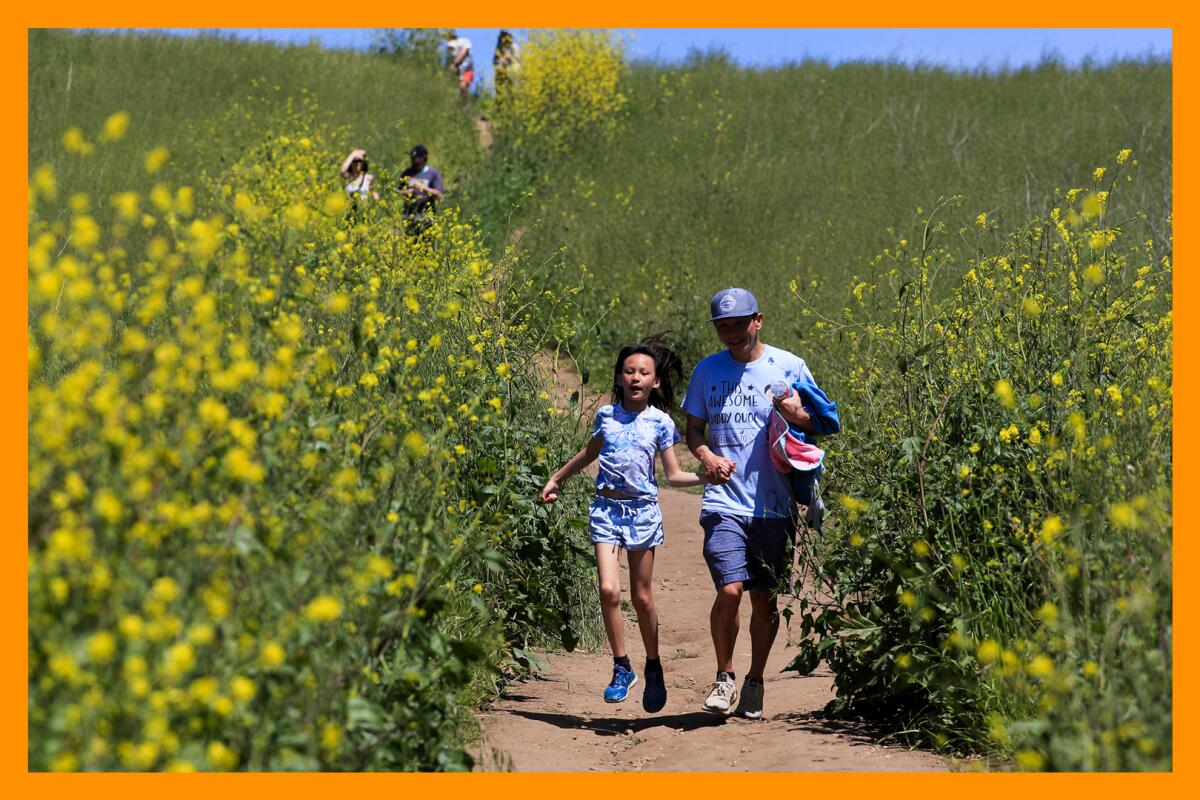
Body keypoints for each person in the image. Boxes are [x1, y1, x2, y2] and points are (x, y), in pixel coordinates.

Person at [682, 287, 825, 720]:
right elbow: (693, 430)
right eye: (722, 326)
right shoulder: (707, 371)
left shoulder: (790, 365)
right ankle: (724, 677)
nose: (730, 333)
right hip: (724, 501)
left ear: (758, 320)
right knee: (729, 590)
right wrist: (707, 456)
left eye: (738, 324)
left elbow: (821, 421)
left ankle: (756, 680)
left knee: (765, 599)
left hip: (774, 506)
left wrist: (796, 412)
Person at [541, 340, 705, 713]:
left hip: (643, 513)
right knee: (608, 589)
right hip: (606, 509)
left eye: (644, 373)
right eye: (629, 371)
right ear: (619, 377)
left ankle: (653, 665)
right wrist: (556, 479)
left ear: (656, 382)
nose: (636, 378)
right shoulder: (607, 416)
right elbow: (590, 452)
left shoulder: (661, 422)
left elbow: (674, 475)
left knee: (642, 596)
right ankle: (621, 666)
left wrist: (706, 478)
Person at [397, 144, 444, 236]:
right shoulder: (406, 173)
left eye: (415, 157)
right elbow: (399, 191)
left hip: (426, 219)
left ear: (423, 157)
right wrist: (406, 192)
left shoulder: (433, 173)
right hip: (409, 218)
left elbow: (439, 196)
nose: (412, 159)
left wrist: (421, 187)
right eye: (411, 156)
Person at [445, 31, 475, 102]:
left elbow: (464, 52)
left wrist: (455, 63)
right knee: (451, 90)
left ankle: (464, 104)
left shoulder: (464, 41)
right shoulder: (449, 47)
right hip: (456, 72)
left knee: (463, 86)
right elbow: (449, 60)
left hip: (467, 69)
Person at [493, 30, 520, 103]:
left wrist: (504, 60)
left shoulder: (514, 47)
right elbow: (495, 61)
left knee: (512, 91)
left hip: (512, 71)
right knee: (499, 92)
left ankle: (513, 105)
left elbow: (512, 59)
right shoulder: (499, 48)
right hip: (501, 72)